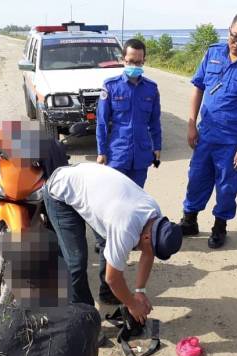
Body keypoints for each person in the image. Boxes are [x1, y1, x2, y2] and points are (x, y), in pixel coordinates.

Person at [44, 162, 182, 321]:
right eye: (151, 248)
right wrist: (132, 305)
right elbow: (113, 278)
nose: (150, 252)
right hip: (60, 191)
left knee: (107, 244)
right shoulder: (124, 228)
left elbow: (148, 253)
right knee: (75, 262)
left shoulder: (155, 216)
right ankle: (84, 319)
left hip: (92, 188)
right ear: (146, 237)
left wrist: (140, 291)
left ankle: (108, 293)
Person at [179, 11, 237, 249]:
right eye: (234, 36)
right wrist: (191, 123)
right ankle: (189, 220)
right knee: (196, 178)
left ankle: (220, 227)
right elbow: (198, 87)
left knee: (227, 186)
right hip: (205, 133)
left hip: (231, 141)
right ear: (229, 30)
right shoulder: (213, 53)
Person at [96, 38, 162, 188]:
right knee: (115, 197)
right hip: (118, 155)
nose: (134, 65)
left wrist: (157, 147)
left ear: (144, 61)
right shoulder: (110, 86)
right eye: (131, 61)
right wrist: (101, 151)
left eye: (138, 62)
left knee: (137, 198)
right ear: (123, 60)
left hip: (141, 155)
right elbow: (102, 122)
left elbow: (155, 122)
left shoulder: (151, 88)